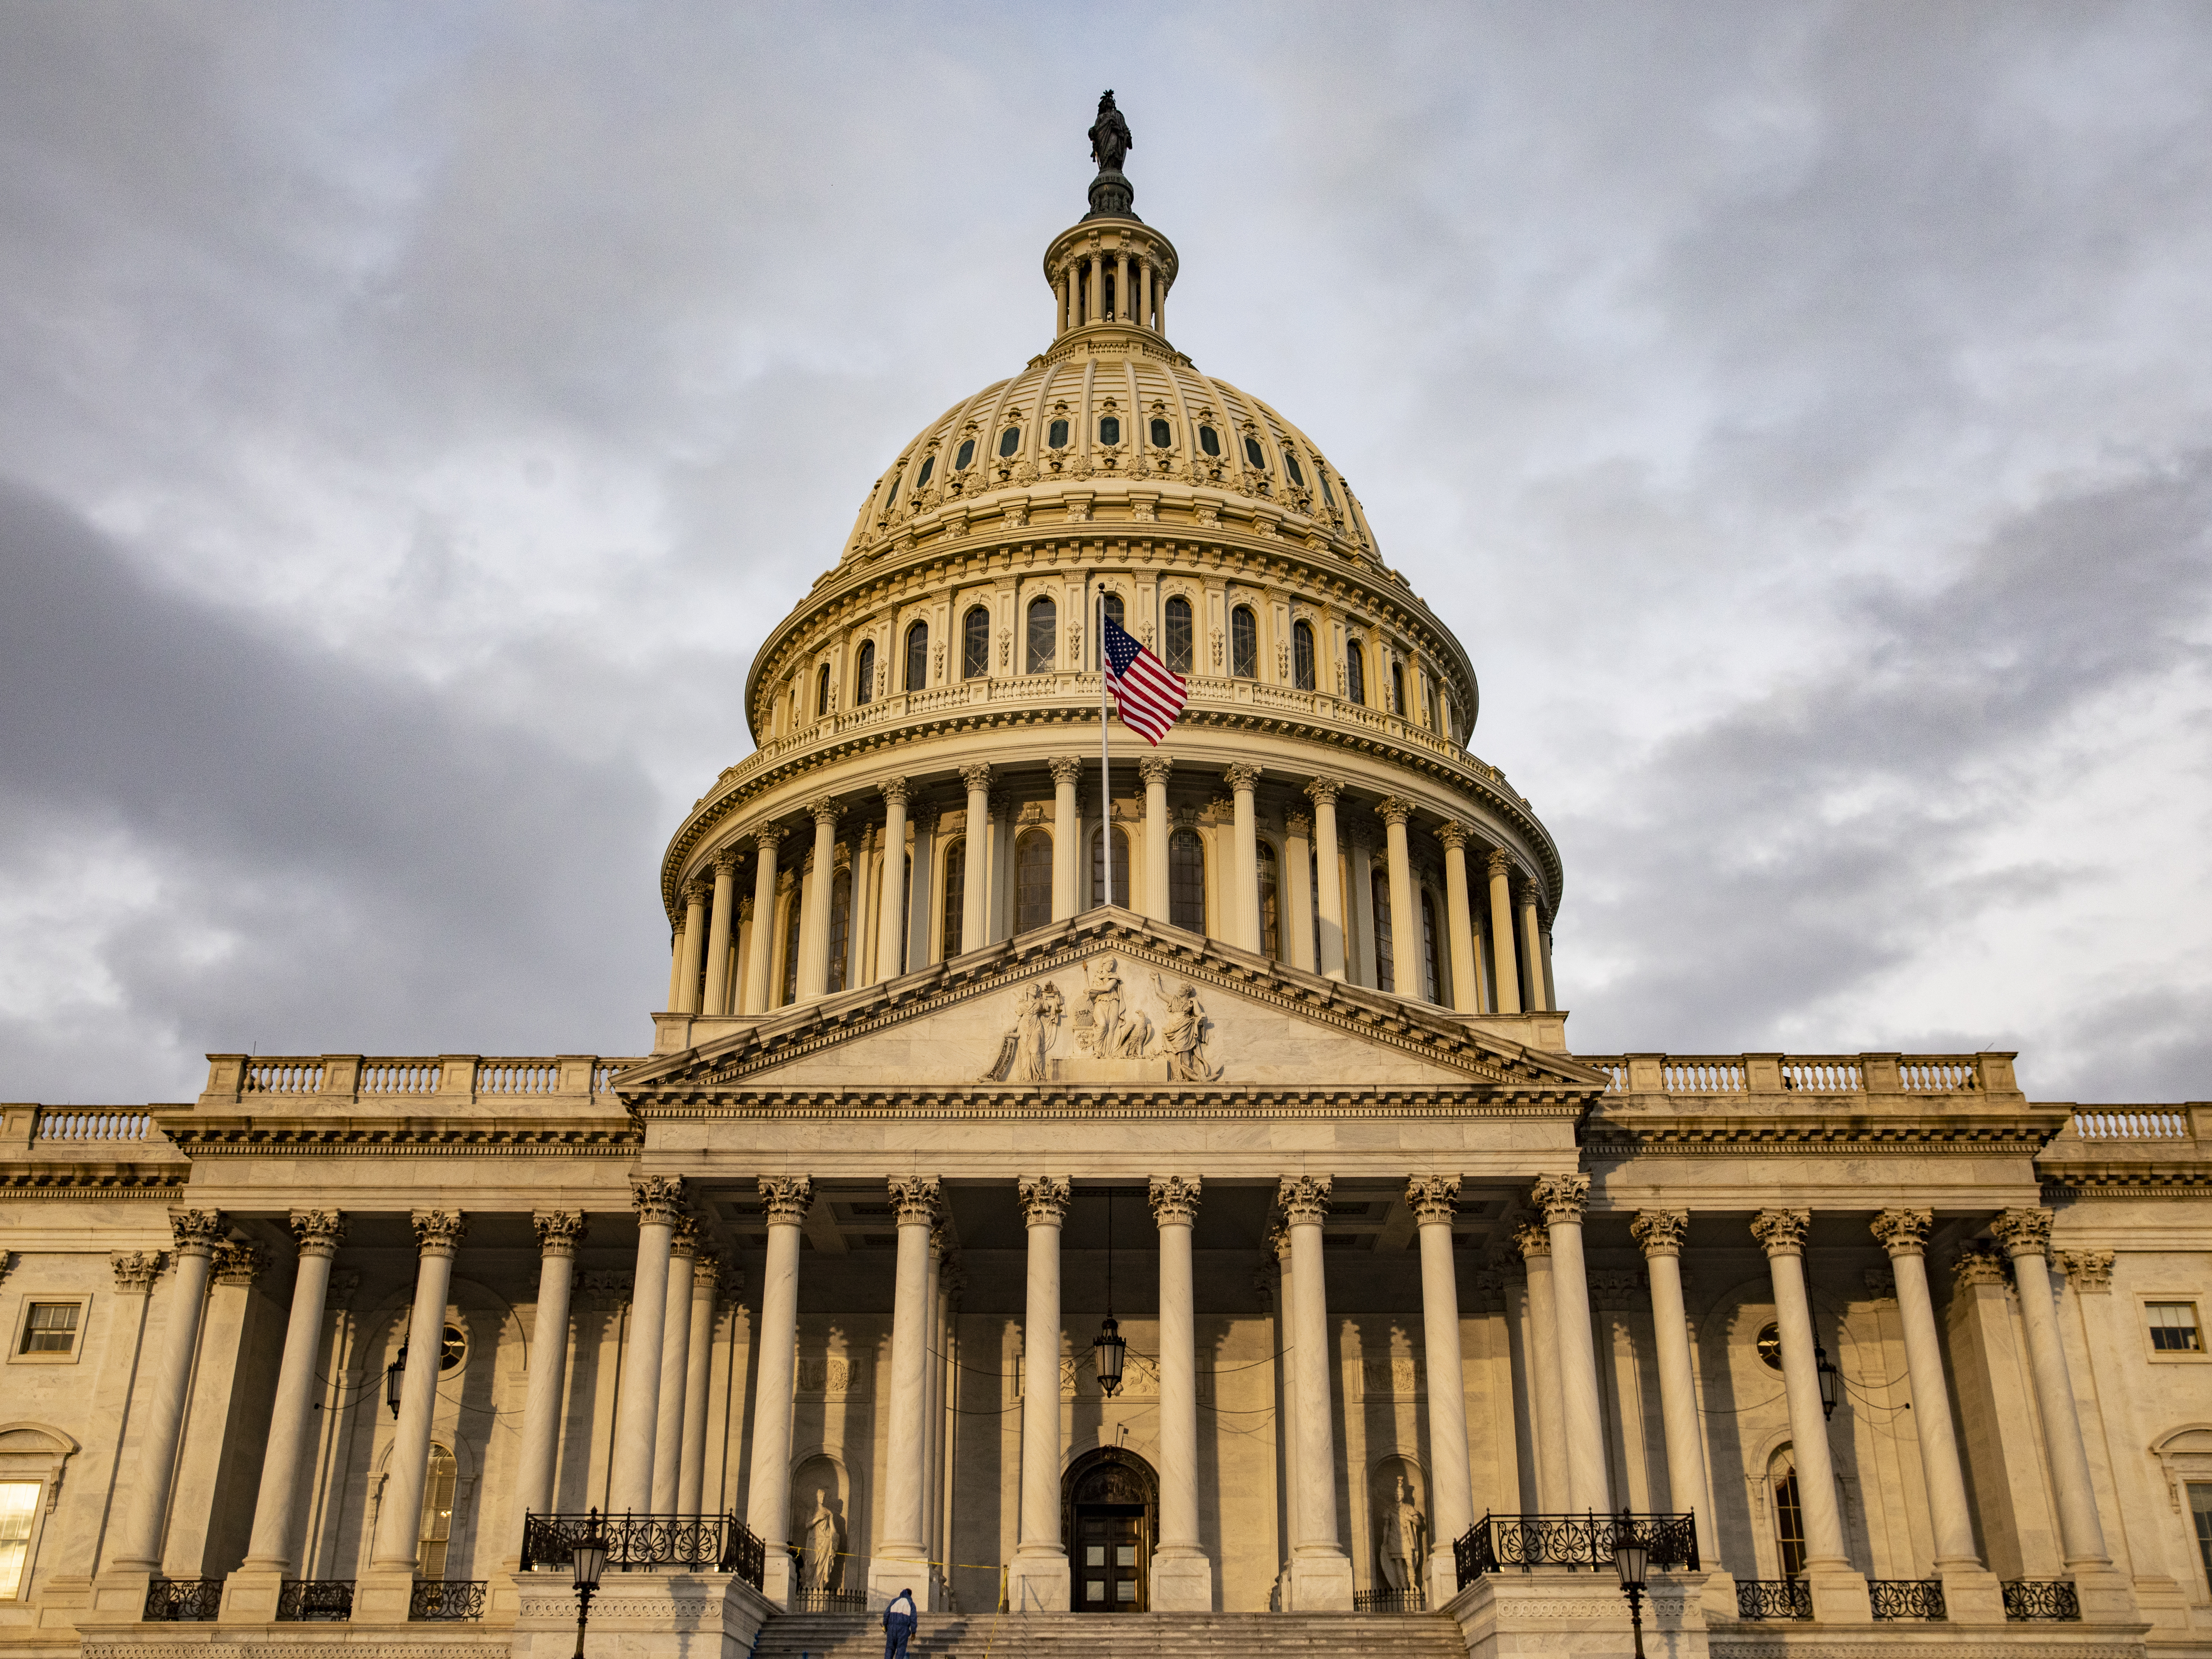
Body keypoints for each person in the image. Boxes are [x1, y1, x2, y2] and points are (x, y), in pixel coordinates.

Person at [881, 1586, 918, 1659]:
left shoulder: (894, 1601)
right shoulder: (911, 1604)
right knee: (901, 1649)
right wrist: (914, 1632)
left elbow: (887, 1614)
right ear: (910, 1595)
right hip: (903, 1629)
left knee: (890, 1649)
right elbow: (913, 1619)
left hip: (891, 1628)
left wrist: (885, 1625)